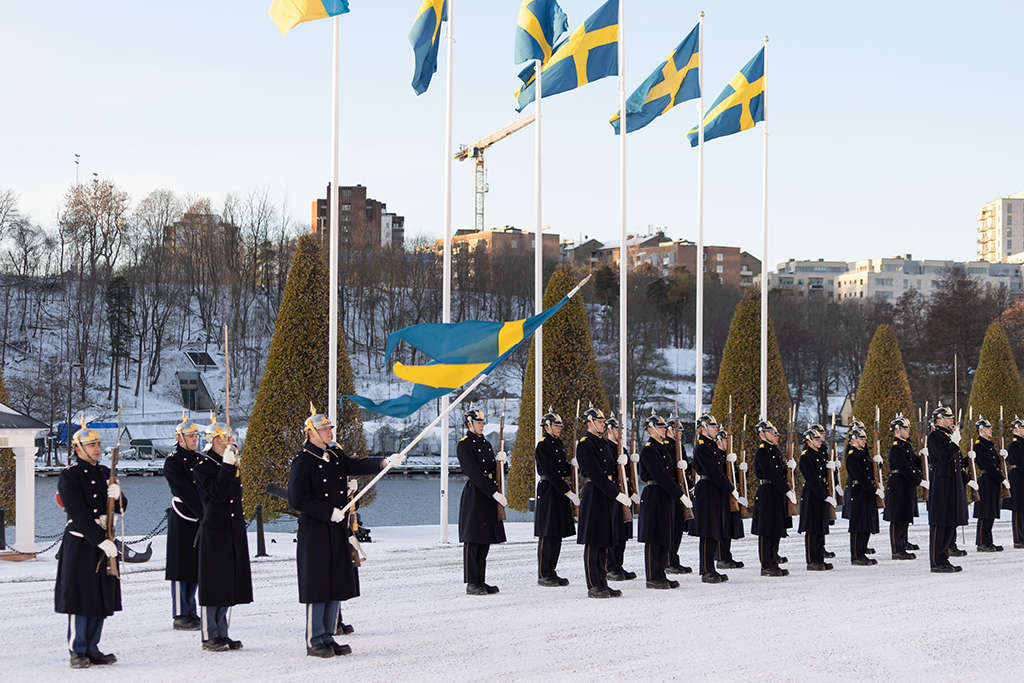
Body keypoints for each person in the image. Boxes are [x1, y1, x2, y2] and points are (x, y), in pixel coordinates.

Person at [288, 405, 402, 658]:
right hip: (316, 531)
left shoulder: (335, 455)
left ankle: (328, 636)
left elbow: (356, 464)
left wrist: (384, 462)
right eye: (324, 429)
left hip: (336, 530)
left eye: (330, 428)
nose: (329, 432)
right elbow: (298, 499)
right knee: (318, 586)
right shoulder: (303, 461)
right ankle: (314, 640)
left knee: (334, 583)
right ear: (311, 433)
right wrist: (328, 512)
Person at [55, 417, 126, 669]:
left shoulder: (105, 472)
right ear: (78, 449)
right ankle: (78, 649)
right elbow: (79, 513)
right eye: (91, 445)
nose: (97, 448)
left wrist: (118, 495)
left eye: (98, 444)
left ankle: (93, 647)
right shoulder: (70, 476)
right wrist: (100, 541)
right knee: (80, 596)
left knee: (99, 595)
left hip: (106, 538)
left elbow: (121, 507)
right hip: (82, 541)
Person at [193, 415, 252, 651]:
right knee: (213, 583)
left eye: (230, 438)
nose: (230, 442)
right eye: (225, 438)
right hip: (215, 531)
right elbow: (217, 494)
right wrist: (227, 467)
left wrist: (229, 466)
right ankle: (210, 635)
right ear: (214, 441)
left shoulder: (229, 464)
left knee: (228, 582)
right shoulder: (203, 467)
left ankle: (222, 632)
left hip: (232, 528)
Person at [576, 406, 631, 598]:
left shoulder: (604, 444)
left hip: (606, 495)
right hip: (595, 494)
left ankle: (602, 582)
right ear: (590, 423)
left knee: (604, 541)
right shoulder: (585, 445)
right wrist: (616, 494)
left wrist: (621, 464)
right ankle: (593, 585)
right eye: (599, 422)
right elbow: (596, 474)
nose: (602, 425)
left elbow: (610, 470)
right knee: (593, 542)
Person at [457, 407, 507, 595]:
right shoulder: (465, 444)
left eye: (482, 422)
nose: (481, 425)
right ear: (469, 423)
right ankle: (472, 582)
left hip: (488, 493)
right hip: (476, 494)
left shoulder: (485, 443)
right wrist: (493, 493)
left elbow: (493, 470)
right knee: (473, 540)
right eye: (478, 422)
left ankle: (480, 580)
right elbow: (474, 473)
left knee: (484, 539)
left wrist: (502, 463)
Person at [689, 414, 741, 584]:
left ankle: (711, 568)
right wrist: (730, 489)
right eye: (712, 426)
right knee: (707, 532)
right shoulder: (702, 446)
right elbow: (713, 472)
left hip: (714, 491)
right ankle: (706, 571)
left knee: (713, 532)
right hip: (707, 491)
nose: (715, 429)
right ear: (703, 428)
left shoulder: (711, 445)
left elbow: (720, 471)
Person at [637, 413, 687, 589]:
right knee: (654, 536)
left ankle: (661, 574)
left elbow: (671, 474)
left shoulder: (664, 448)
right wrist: (680, 495)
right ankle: (652, 576)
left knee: (665, 535)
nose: (664, 430)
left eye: (664, 427)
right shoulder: (649, 450)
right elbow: (661, 476)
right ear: (651, 430)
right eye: (660, 427)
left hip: (665, 495)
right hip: (654, 494)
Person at [164, 412, 203, 631]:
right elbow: (185, 490)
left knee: (194, 564)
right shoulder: (173, 461)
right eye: (190, 436)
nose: (194, 439)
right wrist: (205, 512)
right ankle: (180, 613)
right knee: (180, 565)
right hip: (183, 516)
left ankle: (191, 610)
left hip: (199, 515)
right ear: (180, 438)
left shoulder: (199, 459)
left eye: (196, 436)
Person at [534, 409, 577, 587]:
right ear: (547, 427)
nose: (559, 428)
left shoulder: (558, 443)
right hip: (548, 490)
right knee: (547, 533)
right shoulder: (543, 445)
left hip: (558, 491)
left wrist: (572, 467)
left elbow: (561, 469)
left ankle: (552, 571)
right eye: (556, 425)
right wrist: (567, 492)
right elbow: (551, 472)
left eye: (560, 425)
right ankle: (544, 573)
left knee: (557, 533)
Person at [927, 405, 968, 573]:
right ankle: (936, 562)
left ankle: (944, 558)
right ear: (939, 420)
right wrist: (954, 444)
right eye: (949, 417)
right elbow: (944, 458)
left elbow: (956, 464)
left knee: (950, 522)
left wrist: (968, 480)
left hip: (952, 486)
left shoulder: (949, 436)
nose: (952, 420)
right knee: (940, 524)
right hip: (941, 487)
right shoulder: (935, 436)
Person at [751, 419, 793, 577]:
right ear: (762, 435)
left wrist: (791, 469)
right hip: (768, 492)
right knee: (766, 531)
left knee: (775, 529)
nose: (774, 434)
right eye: (770, 432)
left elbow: (781, 474)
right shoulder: (762, 451)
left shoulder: (774, 450)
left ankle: (774, 562)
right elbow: (772, 474)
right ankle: (766, 565)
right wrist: (786, 490)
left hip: (776, 493)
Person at [883, 415, 925, 560]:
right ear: (897, 431)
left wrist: (923, 457)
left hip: (906, 484)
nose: (908, 431)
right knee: (898, 517)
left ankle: (903, 543)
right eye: (905, 429)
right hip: (899, 484)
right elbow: (904, 468)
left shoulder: (906, 445)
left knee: (905, 515)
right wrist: (919, 481)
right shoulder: (896, 447)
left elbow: (914, 464)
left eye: (907, 428)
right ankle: (897, 550)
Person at [604, 415, 638, 582]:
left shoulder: (622, 449)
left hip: (624, 494)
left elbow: (628, 476)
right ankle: (610, 567)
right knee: (613, 532)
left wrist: (632, 492)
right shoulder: (606, 448)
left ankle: (618, 565)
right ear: (609, 431)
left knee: (623, 532)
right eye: (618, 429)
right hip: (613, 494)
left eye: (621, 429)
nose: (621, 432)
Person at [799, 428, 836, 570]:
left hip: (822, 491)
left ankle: (820, 559)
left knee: (820, 527)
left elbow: (826, 475)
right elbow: (812, 479)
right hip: (813, 494)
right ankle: (811, 561)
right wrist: (825, 496)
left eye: (820, 439)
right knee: (812, 528)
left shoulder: (820, 454)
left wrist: (833, 469)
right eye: (816, 439)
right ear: (809, 441)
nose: (820, 441)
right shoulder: (806, 456)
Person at [844, 426, 881, 565]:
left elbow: (870, 472)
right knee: (858, 525)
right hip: (859, 492)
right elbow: (861, 476)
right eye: (861, 438)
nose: (864, 441)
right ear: (853, 440)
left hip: (866, 491)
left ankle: (862, 552)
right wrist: (874, 490)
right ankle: (856, 556)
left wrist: (878, 465)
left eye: (864, 438)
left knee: (866, 523)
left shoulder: (862, 454)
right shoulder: (852, 455)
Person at [970, 416, 1008, 552]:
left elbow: (996, 463)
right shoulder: (979, 445)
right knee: (984, 513)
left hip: (992, 481)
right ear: (981, 430)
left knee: (991, 512)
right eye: (988, 428)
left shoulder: (989, 444)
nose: (991, 430)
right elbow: (989, 466)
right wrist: (1002, 479)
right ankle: (981, 543)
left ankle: (988, 541)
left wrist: (1003, 457)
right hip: (986, 480)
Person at [664, 417, 693, 574]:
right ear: (669, 431)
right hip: (673, 490)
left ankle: (674, 559)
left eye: (681, 430)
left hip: (681, 488)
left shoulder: (679, 446)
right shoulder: (667, 446)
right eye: (678, 430)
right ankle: (669, 561)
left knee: (679, 527)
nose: (681, 432)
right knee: (672, 527)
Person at [716, 430, 746, 570]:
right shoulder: (718, 455)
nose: (729, 443)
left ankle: (727, 555)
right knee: (721, 526)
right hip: (721, 494)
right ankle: (721, 557)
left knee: (728, 527)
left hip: (730, 495)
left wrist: (742, 471)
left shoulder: (729, 456)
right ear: (719, 442)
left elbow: (735, 477)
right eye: (726, 440)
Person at [1008, 417, 1024, 549]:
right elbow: (1021, 462)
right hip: (1018, 476)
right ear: (1016, 429)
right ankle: (1019, 539)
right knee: (1018, 508)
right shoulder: (1015, 444)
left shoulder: (1021, 442)